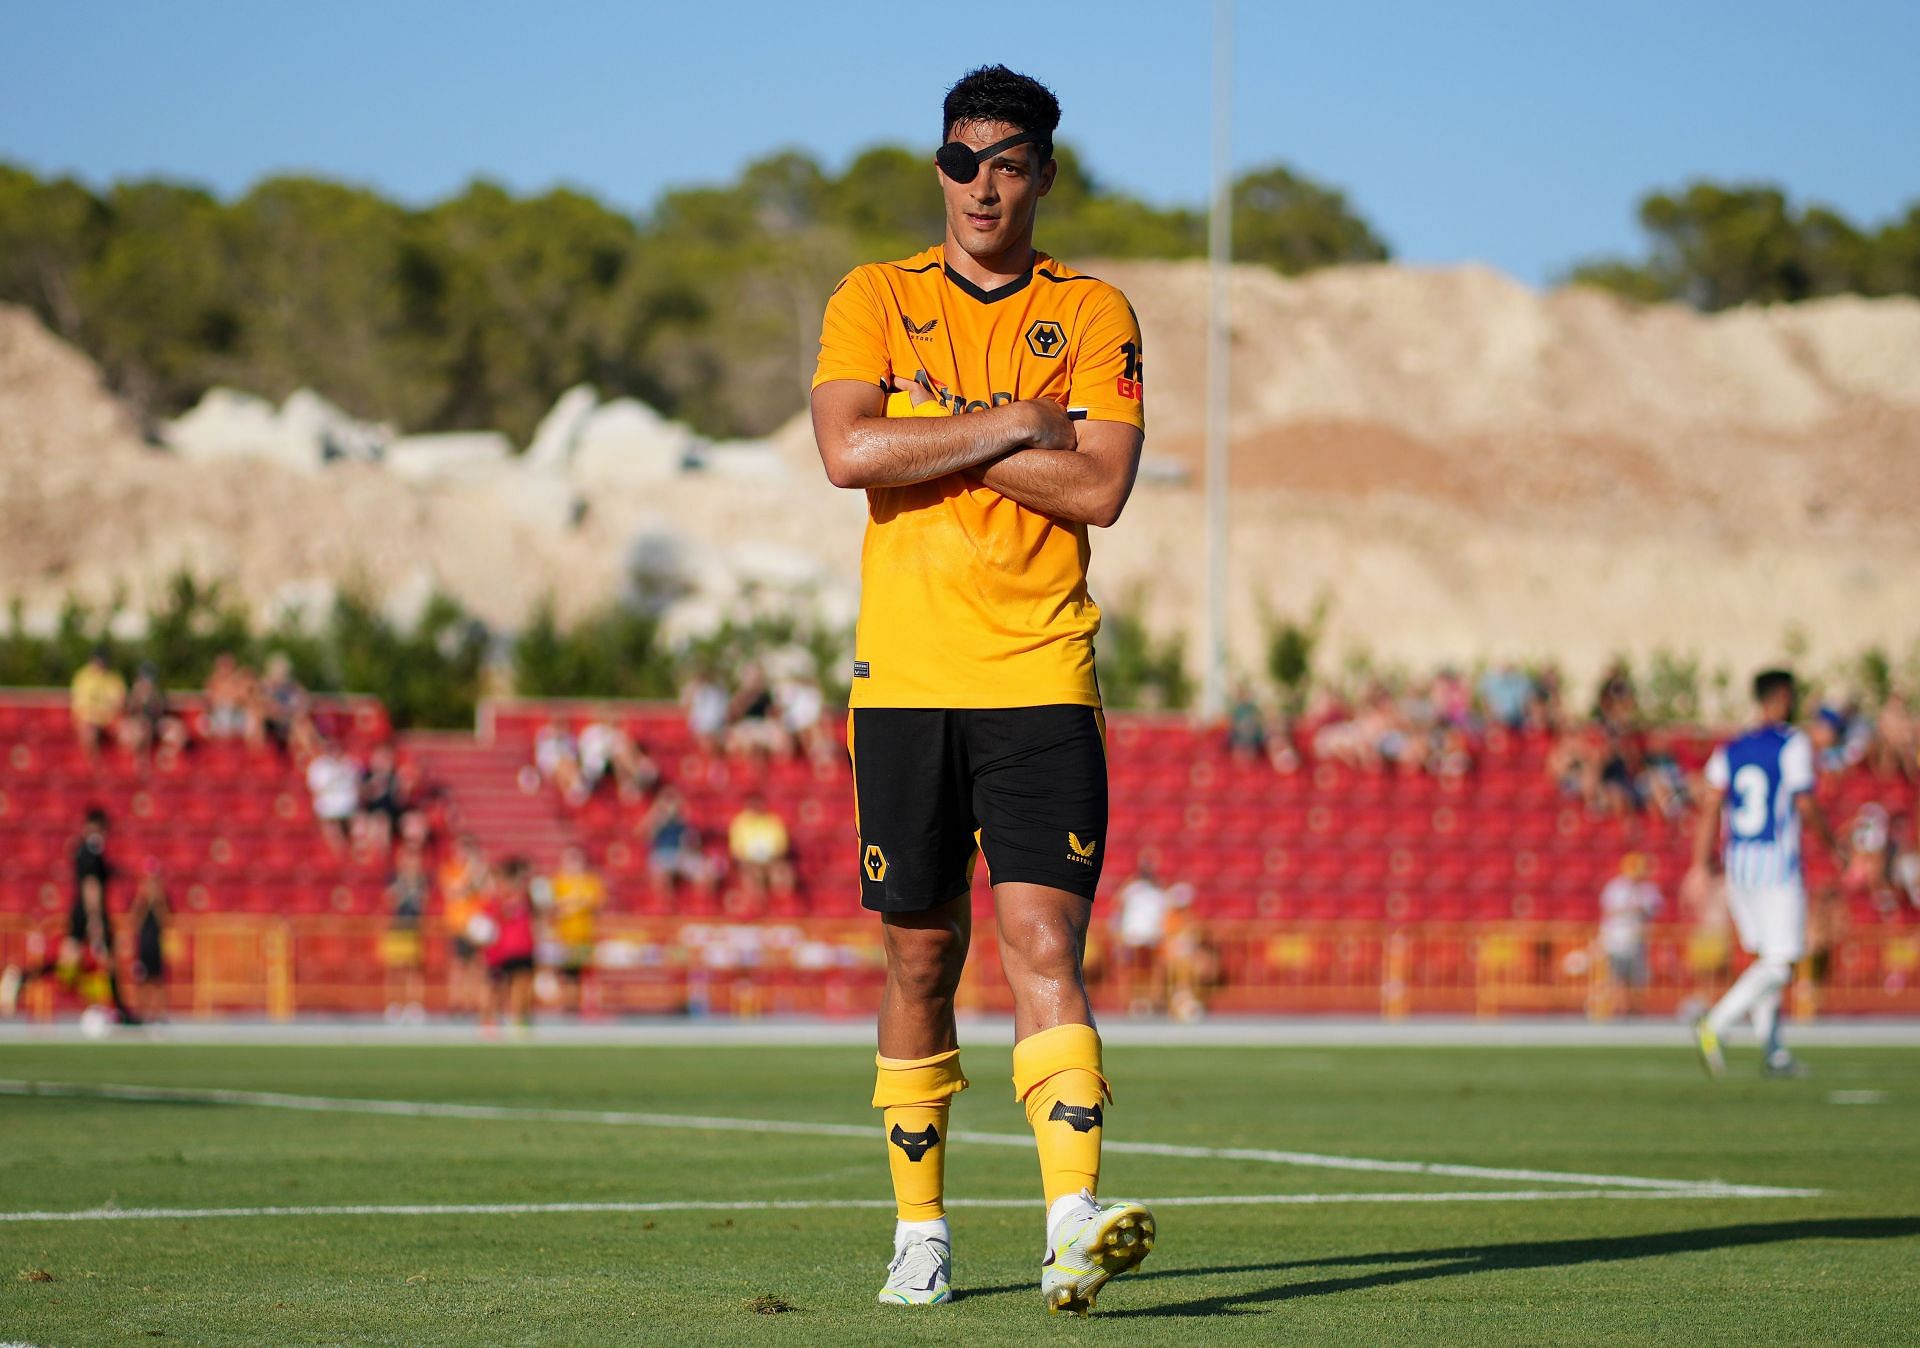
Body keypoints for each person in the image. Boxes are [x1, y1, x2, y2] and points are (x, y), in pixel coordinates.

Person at [811, 65, 1154, 1313]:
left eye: (1008, 162)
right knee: (918, 958)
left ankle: (1073, 1223)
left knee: (1043, 941)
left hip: (1040, 676)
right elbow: (850, 451)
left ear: (1045, 177)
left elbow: (1099, 490)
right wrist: (1017, 424)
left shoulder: (1097, 310)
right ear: (938, 168)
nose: (982, 185)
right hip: (901, 682)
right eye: (962, 160)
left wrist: (939, 428)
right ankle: (922, 1236)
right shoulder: (873, 296)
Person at [1687, 669, 1846, 1079]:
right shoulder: (1791, 743)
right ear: (1781, 697)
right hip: (1776, 863)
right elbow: (1805, 804)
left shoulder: (1731, 748)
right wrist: (1834, 847)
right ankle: (1715, 1023)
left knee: (1766, 959)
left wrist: (1700, 864)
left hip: (1739, 864)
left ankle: (1774, 1052)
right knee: (1780, 965)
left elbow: (1709, 805)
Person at [0, 808, 140, 1024]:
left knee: (69, 964)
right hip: (88, 915)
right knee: (106, 961)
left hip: (80, 913)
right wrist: (95, 922)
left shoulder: (84, 851)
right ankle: (120, 1010)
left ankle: (21, 977)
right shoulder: (91, 852)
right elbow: (91, 887)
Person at [1596, 854, 1662, 1017]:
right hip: (1617, 941)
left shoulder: (1647, 889)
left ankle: (1634, 1009)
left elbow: (1655, 908)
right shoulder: (1616, 887)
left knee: (1637, 979)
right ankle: (1619, 1009)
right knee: (1617, 978)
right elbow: (1609, 911)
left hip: (1637, 942)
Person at [548, 847, 607, 1016]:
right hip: (564, 936)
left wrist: (569, 905)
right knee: (566, 975)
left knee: (586, 974)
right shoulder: (557, 881)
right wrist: (574, 904)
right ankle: (568, 1007)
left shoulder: (590, 881)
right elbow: (553, 906)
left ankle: (586, 1008)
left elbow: (594, 902)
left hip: (585, 935)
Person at [482, 857, 538, 1033]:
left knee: (522, 985)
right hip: (503, 951)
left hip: (524, 948)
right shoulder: (498, 899)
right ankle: (490, 1022)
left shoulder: (527, 897)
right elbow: (489, 922)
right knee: (498, 987)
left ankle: (518, 1020)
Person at [437, 836, 491, 1018]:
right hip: (458, 924)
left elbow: (486, 891)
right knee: (458, 965)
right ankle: (457, 1002)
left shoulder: (479, 872)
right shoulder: (451, 869)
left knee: (476, 966)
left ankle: (474, 1001)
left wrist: (479, 873)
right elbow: (456, 891)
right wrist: (472, 873)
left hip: (475, 924)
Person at [381, 845, 430, 1022]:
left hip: (413, 929)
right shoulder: (394, 878)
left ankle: (414, 1005)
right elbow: (390, 900)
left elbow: (424, 903)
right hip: (397, 928)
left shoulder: (421, 880)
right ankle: (393, 1005)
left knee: (413, 970)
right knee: (395, 969)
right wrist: (404, 886)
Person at [727, 793, 795, 905]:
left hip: (772, 861)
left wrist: (772, 859)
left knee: (782, 875)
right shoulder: (740, 823)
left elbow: (782, 847)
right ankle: (758, 909)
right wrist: (749, 861)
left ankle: (782, 907)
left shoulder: (774, 820)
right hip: (749, 863)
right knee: (752, 877)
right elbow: (736, 850)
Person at [127, 862, 171, 1022]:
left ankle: (159, 1013)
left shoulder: (163, 898)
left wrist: (158, 901)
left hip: (156, 944)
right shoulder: (140, 899)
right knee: (142, 980)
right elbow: (135, 920)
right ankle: (143, 1012)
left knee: (158, 980)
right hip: (143, 945)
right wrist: (144, 900)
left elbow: (165, 920)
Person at [69, 648, 126, 763]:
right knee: (90, 732)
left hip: (110, 720)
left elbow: (119, 703)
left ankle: (125, 768)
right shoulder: (82, 677)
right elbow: (80, 706)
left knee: (130, 732)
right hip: (89, 720)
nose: (100, 664)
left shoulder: (114, 678)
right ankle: (95, 768)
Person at [305, 739, 361, 854]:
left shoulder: (349, 763)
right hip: (328, 806)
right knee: (331, 825)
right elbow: (316, 790)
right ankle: (339, 854)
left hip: (348, 806)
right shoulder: (318, 766)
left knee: (360, 823)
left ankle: (354, 853)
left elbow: (356, 785)